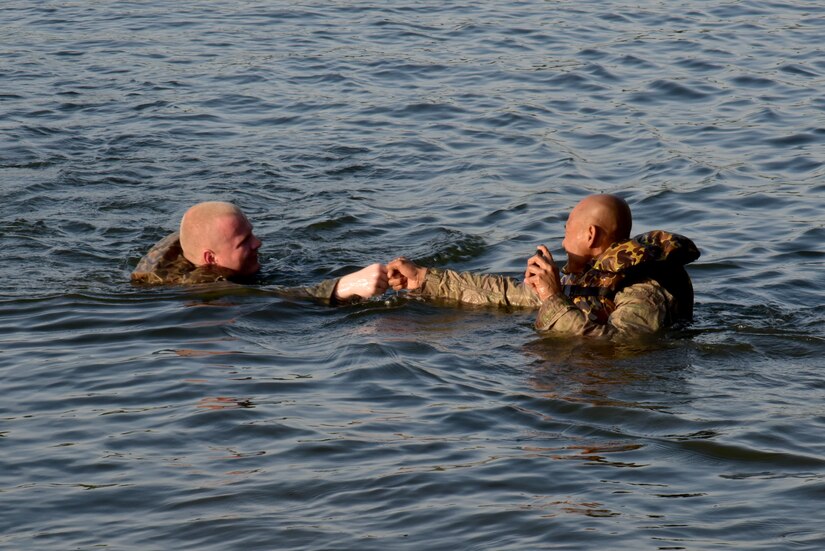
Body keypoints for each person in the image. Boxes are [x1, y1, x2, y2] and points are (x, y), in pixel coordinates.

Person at [387, 194, 699, 337]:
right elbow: (509, 295)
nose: (563, 241)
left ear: (590, 235)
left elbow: (618, 346)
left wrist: (552, 299)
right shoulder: (594, 275)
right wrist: (425, 279)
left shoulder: (645, 290)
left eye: (568, 229)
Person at [132, 201, 388, 304]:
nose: (258, 243)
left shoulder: (196, 243)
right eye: (244, 241)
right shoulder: (202, 287)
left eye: (252, 233)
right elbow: (273, 296)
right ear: (211, 259)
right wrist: (345, 285)